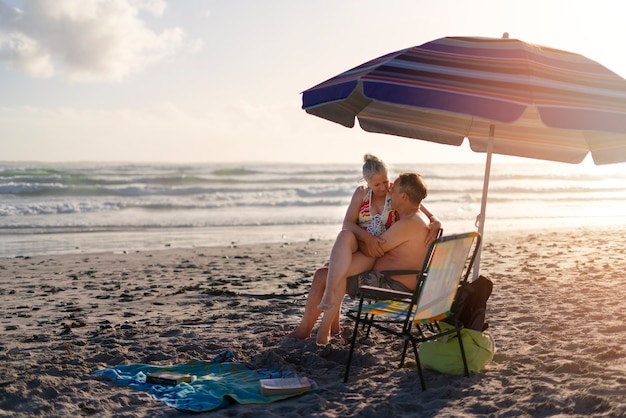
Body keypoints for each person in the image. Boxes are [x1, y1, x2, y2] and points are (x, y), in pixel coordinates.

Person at [289, 172, 432, 345]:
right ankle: (331, 329)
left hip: (390, 284)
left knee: (325, 275)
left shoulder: (408, 223)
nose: (390, 192)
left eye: (394, 190)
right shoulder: (418, 218)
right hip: (396, 278)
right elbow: (377, 248)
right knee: (332, 268)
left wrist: (361, 241)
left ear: (404, 196)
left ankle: (310, 330)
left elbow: (374, 249)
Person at [316, 154, 439, 314]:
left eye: (387, 183)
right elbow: (348, 225)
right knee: (335, 262)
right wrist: (366, 238)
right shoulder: (364, 194)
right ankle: (327, 325)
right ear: (367, 183)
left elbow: (374, 248)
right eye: (377, 184)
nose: (385, 188)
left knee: (326, 274)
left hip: (384, 274)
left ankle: (323, 329)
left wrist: (436, 221)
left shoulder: (403, 207)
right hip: (379, 260)